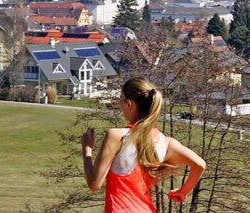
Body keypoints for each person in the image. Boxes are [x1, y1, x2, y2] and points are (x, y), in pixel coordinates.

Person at [81, 78, 206, 212]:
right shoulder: (166, 143)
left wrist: (87, 149)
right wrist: (183, 191)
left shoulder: (117, 136)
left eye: (120, 99)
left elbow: (94, 184)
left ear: (129, 103)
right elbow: (200, 165)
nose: (119, 104)